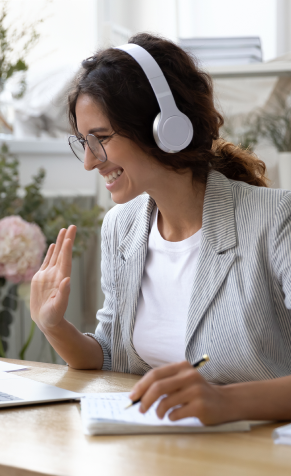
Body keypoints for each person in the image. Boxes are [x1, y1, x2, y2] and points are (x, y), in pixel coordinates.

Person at [30, 33, 291, 425]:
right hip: (154, 452)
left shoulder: (276, 220)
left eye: (100, 139)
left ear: (164, 127)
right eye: (83, 142)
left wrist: (225, 403)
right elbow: (111, 355)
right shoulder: (122, 226)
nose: (89, 162)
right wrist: (54, 326)